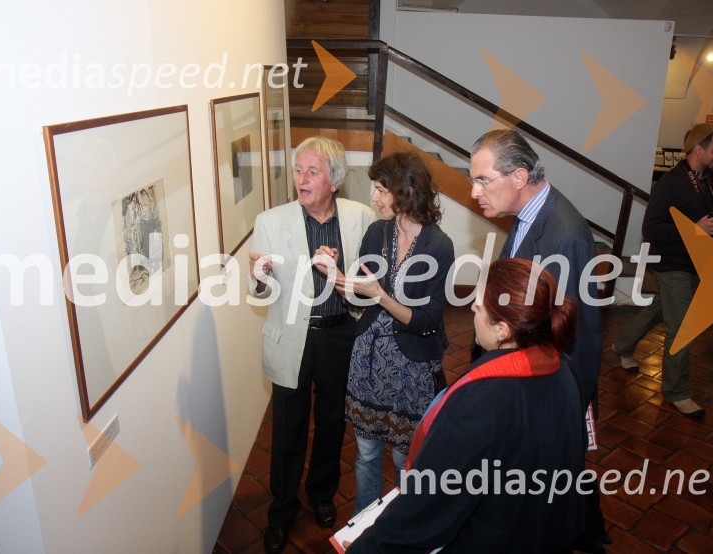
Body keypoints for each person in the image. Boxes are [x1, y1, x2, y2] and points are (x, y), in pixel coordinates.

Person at [347, 258, 585, 553]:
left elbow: (428, 510)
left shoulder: (480, 401)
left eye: (479, 303)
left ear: (502, 330)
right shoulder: (566, 368)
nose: (472, 306)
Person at [248, 136, 375, 554]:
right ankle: (281, 511)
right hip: (293, 340)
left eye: (312, 171)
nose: (301, 179)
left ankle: (322, 493)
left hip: (341, 333)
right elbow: (263, 295)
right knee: (288, 431)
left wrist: (340, 275)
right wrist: (261, 276)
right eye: (298, 170)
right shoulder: (270, 220)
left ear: (334, 180)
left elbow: (369, 288)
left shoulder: (361, 217)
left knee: (332, 423)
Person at [321, 151, 455, 514]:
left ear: (407, 191)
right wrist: (334, 274)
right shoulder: (376, 232)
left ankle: (397, 527)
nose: (373, 198)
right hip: (367, 359)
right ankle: (364, 524)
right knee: (365, 454)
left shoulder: (439, 246)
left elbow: (427, 321)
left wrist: (381, 295)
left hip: (411, 367)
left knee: (401, 458)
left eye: (380, 189)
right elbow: (356, 293)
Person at [469, 129, 602, 414]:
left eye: (483, 180)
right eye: (473, 180)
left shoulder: (566, 236)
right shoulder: (526, 213)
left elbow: (578, 337)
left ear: (519, 177)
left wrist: (568, 410)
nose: (474, 192)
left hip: (543, 398)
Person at [612, 124, 713, 418]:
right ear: (698, 149)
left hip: (690, 264)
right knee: (682, 329)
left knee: (657, 312)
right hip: (672, 265)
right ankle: (676, 392)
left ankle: (622, 346)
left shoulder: (703, 181)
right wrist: (694, 229)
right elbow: (651, 228)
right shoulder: (672, 182)